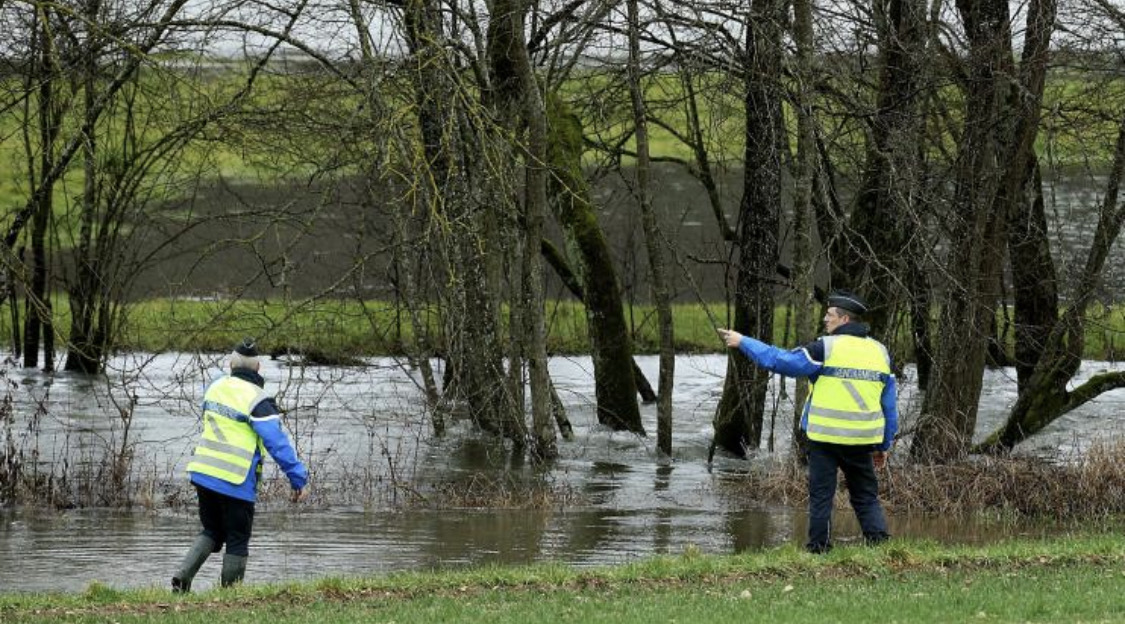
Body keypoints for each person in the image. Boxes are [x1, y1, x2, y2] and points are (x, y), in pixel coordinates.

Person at [718, 290, 897, 553]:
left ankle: (819, 549)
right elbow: (888, 405)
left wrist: (743, 341)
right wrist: (884, 444)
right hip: (862, 439)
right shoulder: (879, 352)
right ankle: (880, 546)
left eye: (830, 315)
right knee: (865, 496)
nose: (825, 319)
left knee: (821, 496)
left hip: (825, 439)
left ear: (844, 319)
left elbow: (781, 361)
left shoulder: (826, 347)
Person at [171, 338, 309, 592]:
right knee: (237, 538)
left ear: (230, 365)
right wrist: (297, 477)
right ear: (258, 369)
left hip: (203, 473)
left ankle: (182, 578)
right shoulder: (258, 399)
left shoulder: (214, 387)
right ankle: (230, 597)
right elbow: (276, 442)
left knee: (212, 530)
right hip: (236, 478)